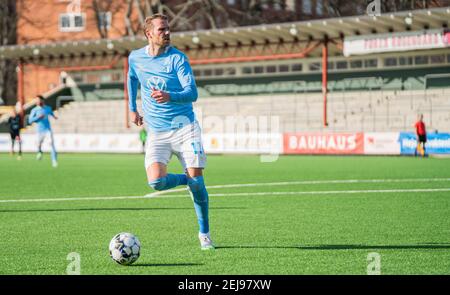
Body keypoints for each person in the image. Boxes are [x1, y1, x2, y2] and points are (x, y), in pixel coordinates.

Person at [127, 14, 214, 250]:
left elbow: (192, 93)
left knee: (198, 185)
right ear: (149, 34)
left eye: (168, 29)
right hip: (157, 132)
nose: (167, 33)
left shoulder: (178, 59)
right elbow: (132, 78)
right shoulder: (135, 58)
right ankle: (188, 180)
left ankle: (204, 234)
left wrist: (169, 97)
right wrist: (132, 108)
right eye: (162, 29)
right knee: (156, 182)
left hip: (186, 129)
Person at [28, 95, 58, 167]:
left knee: (51, 144)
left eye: (38, 100)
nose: (37, 102)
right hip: (39, 131)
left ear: (42, 101)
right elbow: (30, 121)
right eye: (36, 100)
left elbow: (51, 113)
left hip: (47, 130)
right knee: (39, 145)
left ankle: (54, 161)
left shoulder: (47, 108)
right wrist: (38, 117)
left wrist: (54, 116)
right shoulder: (34, 110)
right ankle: (39, 152)